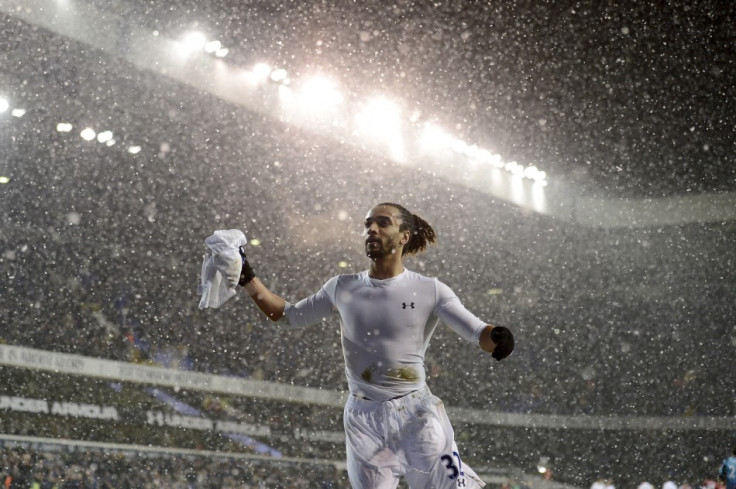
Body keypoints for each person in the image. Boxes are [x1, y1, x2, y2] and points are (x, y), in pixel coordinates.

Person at [236, 202, 514, 489]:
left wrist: (498, 337)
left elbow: (478, 331)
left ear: (404, 236)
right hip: (363, 418)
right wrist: (248, 278)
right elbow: (287, 315)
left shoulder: (430, 289)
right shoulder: (341, 287)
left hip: (416, 415)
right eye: (368, 223)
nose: (372, 229)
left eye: (383, 223)